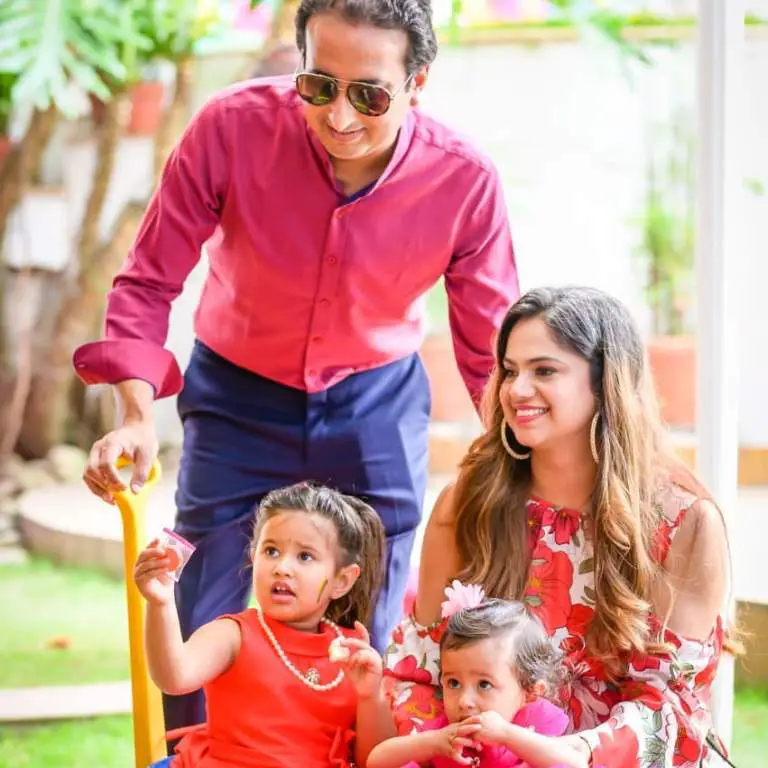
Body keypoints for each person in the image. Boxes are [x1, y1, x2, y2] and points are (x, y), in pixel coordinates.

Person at [74, 0, 518, 736]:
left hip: (375, 401)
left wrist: (516, 460)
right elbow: (150, 278)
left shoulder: (463, 179)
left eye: (369, 94)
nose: (339, 115)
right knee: (207, 592)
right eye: (319, 85)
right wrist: (132, 415)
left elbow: (489, 346)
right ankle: (196, 754)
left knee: (370, 614)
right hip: (237, 392)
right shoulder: (230, 127)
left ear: (418, 81)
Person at [385, 286, 734, 767]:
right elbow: (419, 671)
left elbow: (670, 705)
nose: (516, 390)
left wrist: (556, 754)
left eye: (544, 370)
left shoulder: (684, 521)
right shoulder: (466, 506)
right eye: (510, 371)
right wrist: (447, 750)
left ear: (604, 381)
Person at [134, 482, 393, 767]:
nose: (282, 567)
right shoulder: (234, 634)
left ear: (342, 580)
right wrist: (161, 603)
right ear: (253, 556)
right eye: (271, 551)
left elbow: (374, 760)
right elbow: (174, 676)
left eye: (305, 556)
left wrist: (371, 695)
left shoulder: (352, 655)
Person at [370, 586, 586, 768]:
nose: (464, 701)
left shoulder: (537, 722)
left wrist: (507, 735)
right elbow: (375, 761)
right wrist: (433, 742)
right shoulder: (446, 732)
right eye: (453, 683)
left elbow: (577, 763)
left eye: (484, 684)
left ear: (529, 691)